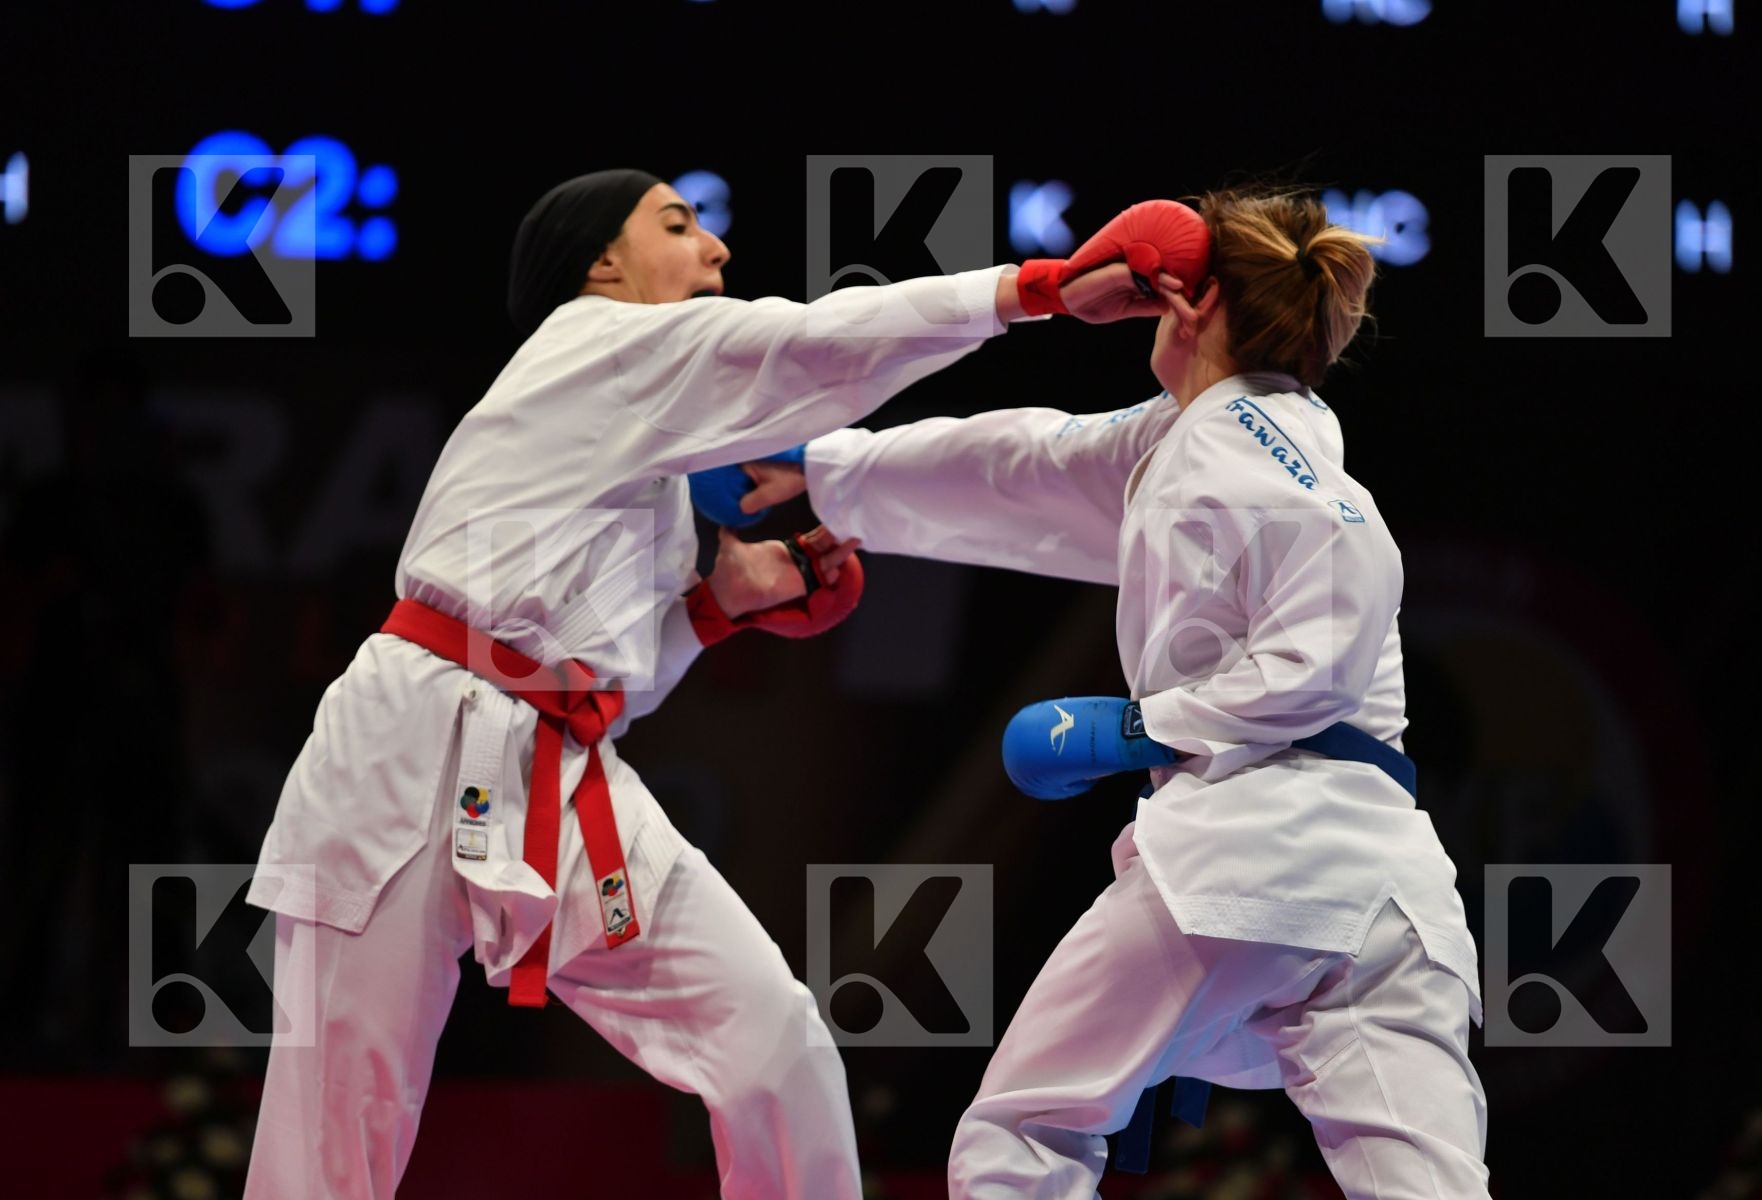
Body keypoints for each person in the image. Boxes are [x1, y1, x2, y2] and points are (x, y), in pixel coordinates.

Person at [242, 167, 1193, 1199]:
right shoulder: (595, 343)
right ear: (604, 264)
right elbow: (810, 344)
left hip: (558, 770)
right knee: (338, 1125)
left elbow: (602, 689)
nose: (717, 249)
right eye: (680, 225)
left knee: (772, 1037)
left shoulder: (645, 458)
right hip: (410, 745)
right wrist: (1038, 288)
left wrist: (713, 609)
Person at [706, 185, 1492, 1198]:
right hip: (1394, 894)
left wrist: (1137, 726)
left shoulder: (1260, 465)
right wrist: (824, 470)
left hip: (1248, 857)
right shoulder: (1190, 441)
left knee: (1023, 1133)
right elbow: (1021, 468)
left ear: (1189, 306)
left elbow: (1328, 628)